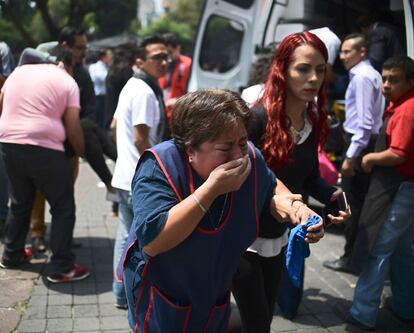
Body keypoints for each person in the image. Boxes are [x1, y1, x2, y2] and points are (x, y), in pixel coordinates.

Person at [114, 88, 325, 331]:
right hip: (163, 298)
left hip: (213, 293)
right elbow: (153, 242)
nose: (238, 156)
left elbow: (270, 184)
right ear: (190, 150)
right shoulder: (159, 166)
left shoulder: (249, 157)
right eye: (225, 149)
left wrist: (296, 207)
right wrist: (211, 190)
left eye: (242, 142)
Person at [232, 32, 350, 331]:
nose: (313, 78)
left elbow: (306, 176)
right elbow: (239, 176)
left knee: (265, 317)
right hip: (241, 237)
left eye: (320, 69)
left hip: (279, 237)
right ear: (282, 70)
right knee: (256, 322)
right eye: (303, 68)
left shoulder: (313, 118)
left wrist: (330, 195)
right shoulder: (257, 117)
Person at [0, 48, 90, 283]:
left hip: (9, 143)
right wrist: (81, 151)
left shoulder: (18, 74)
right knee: (62, 207)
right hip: (44, 149)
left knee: (19, 202)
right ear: (68, 65)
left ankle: (12, 255)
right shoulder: (67, 82)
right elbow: (73, 127)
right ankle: (62, 266)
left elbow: (2, 105)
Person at [338, 56, 414, 330]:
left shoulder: (407, 110)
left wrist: (369, 159)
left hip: (399, 189)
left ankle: (362, 312)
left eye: (394, 80)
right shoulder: (400, 106)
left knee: (378, 248)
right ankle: (406, 305)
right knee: (404, 250)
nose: (386, 85)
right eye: (384, 78)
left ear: (410, 82)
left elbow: (398, 154)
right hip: (406, 188)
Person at [111, 35, 170, 309]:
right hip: (139, 179)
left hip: (125, 174)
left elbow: (114, 127)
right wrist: (156, 168)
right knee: (140, 240)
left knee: (126, 235)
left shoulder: (133, 85)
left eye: (166, 56)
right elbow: (139, 138)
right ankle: (130, 295)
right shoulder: (145, 91)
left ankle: (121, 293)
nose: (164, 61)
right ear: (140, 61)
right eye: (157, 57)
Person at [323, 33, 385, 274]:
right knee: (357, 204)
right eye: (342, 51)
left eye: (348, 51)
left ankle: (351, 258)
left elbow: (365, 124)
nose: (342, 56)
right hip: (363, 144)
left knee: (351, 205)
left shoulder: (361, 77)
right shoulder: (370, 74)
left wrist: (351, 157)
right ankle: (354, 257)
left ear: (362, 52)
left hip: (360, 145)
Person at [158, 32, 192, 121]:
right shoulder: (162, 65)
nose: (167, 57)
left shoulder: (187, 64)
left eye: (170, 52)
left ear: (178, 48)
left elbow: (193, 90)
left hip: (179, 113)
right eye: (165, 54)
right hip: (163, 113)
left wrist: (178, 101)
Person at [89, 48, 113, 128]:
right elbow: (103, 78)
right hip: (99, 96)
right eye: (109, 55)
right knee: (100, 119)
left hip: (106, 96)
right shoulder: (95, 67)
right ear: (104, 56)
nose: (111, 57)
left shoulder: (107, 67)